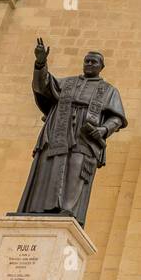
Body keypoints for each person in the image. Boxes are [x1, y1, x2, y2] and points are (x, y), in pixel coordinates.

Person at [14, 38, 127, 227]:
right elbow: (42, 85)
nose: (89, 64)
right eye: (87, 61)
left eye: (94, 62)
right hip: (59, 129)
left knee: (76, 169)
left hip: (85, 136)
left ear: (101, 67)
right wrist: (41, 63)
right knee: (50, 166)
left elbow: (117, 118)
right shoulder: (66, 83)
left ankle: (68, 210)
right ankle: (41, 208)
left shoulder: (108, 90)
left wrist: (103, 129)